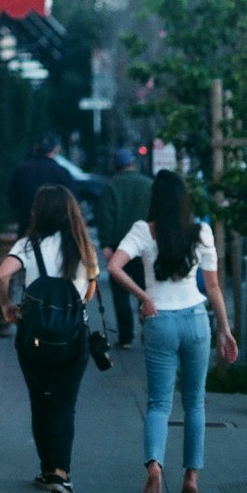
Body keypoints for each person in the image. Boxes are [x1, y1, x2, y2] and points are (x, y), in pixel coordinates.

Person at [108, 169, 238, 493]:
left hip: (159, 321)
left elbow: (114, 267)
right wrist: (225, 329)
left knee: (158, 404)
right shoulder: (201, 232)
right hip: (196, 320)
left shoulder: (143, 230)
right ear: (184, 201)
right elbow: (212, 287)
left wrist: (143, 297)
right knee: (195, 402)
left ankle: (155, 468)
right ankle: (191, 478)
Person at [0, 184, 98, 493]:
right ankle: (61, 475)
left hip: (34, 337)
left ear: (39, 212)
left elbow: (1, 276)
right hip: (73, 338)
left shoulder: (28, 245)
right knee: (65, 404)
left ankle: (44, 470)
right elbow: (89, 294)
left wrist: (7, 306)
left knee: (41, 400)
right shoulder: (83, 247)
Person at [96, 147, 152, 349]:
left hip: (119, 248)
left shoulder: (110, 186)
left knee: (120, 294)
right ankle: (149, 330)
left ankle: (126, 336)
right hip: (145, 248)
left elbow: (105, 216)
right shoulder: (148, 185)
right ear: (133, 164)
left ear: (115, 166)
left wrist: (105, 243)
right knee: (145, 290)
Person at [7, 132, 77, 237]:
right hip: (55, 229)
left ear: (36, 148)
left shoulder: (21, 170)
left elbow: (13, 199)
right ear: (55, 149)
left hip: (28, 225)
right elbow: (72, 201)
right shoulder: (62, 172)